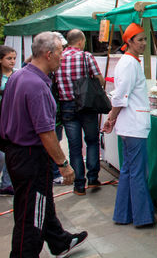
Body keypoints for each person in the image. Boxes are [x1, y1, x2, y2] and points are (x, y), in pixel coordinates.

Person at [0, 32, 88, 257]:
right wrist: (63, 164)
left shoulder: (19, 76)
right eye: (60, 53)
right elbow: (46, 132)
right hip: (31, 157)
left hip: (16, 153)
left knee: (40, 201)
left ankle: (60, 241)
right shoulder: (36, 86)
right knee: (31, 217)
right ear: (48, 55)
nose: (63, 57)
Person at [102, 23, 155, 227]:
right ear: (129, 41)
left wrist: (112, 118)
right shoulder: (129, 63)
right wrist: (111, 118)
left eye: (144, 39)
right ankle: (143, 217)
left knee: (128, 170)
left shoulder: (130, 62)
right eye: (140, 39)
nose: (143, 43)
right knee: (137, 172)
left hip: (130, 125)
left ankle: (123, 214)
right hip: (133, 125)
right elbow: (120, 98)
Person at [55, 29, 105, 196]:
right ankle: (92, 178)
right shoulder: (85, 56)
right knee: (92, 141)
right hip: (87, 104)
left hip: (66, 105)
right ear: (81, 41)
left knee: (74, 147)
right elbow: (99, 79)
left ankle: (78, 185)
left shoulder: (59, 57)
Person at [0, 45, 16, 195]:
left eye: (14, 58)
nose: (12, 61)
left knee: (9, 153)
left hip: (11, 120)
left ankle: (6, 183)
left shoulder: (17, 75)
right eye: (9, 58)